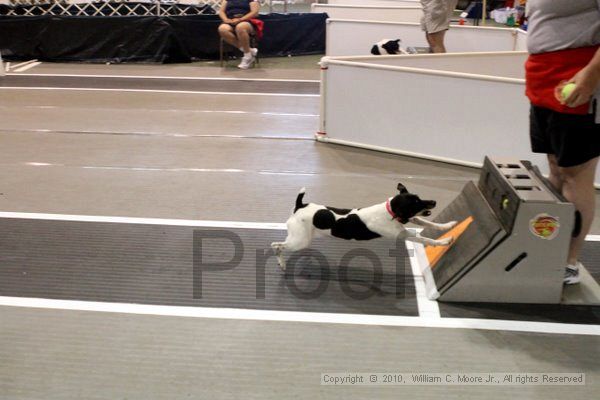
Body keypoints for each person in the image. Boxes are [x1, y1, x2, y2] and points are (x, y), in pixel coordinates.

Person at [525, 0, 600, 284]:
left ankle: (568, 261)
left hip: (579, 77)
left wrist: (590, 76)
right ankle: (549, 250)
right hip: (544, 77)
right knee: (556, 168)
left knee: (575, 174)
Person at [218, 0, 260, 69]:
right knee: (222, 29)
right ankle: (249, 51)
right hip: (230, 20)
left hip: (247, 20)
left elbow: (254, 12)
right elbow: (221, 11)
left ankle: (247, 56)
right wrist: (225, 20)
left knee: (240, 27)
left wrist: (240, 19)